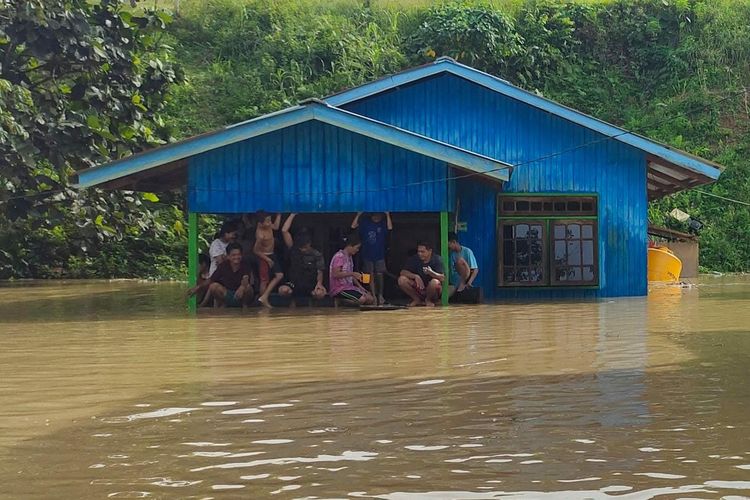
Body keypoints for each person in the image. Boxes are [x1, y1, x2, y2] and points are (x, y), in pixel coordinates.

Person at [278, 213, 327, 301]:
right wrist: (292, 214)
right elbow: (284, 231)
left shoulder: (316, 254)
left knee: (321, 293)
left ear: (309, 244)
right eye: (301, 248)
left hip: (310, 284)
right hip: (294, 283)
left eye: (305, 248)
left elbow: (320, 271)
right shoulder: (294, 250)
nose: (303, 250)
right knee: (282, 290)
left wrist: (319, 284)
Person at [351, 211, 392, 305]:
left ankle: (380, 295)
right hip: (367, 254)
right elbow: (353, 227)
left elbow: (390, 228)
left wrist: (388, 215)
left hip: (380, 254)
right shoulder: (366, 223)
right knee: (369, 275)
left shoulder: (382, 224)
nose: (379, 217)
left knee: (380, 274)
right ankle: (373, 295)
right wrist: (358, 214)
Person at [202, 242, 254, 308]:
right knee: (213, 286)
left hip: (242, 293)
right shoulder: (223, 266)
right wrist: (197, 288)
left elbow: (246, 278)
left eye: (239, 254)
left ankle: (244, 306)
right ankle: (224, 303)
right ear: (228, 256)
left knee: (248, 288)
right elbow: (211, 279)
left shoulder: (245, 264)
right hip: (228, 293)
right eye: (234, 255)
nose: (236, 257)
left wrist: (242, 287)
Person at [329, 233, 375, 306]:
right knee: (362, 299)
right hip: (340, 288)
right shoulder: (339, 256)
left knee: (370, 299)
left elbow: (351, 276)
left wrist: (360, 287)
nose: (357, 250)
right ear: (350, 246)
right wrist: (352, 273)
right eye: (356, 248)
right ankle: (343, 303)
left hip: (349, 287)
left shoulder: (349, 258)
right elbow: (335, 274)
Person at [398, 241, 445, 307]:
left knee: (434, 282)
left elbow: (442, 278)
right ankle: (416, 299)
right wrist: (415, 276)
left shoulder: (437, 259)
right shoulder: (415, 258)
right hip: (419, 288)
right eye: (418, 251)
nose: (420, 254)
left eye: (422, 252)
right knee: (401, 280)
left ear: (430, 251)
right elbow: (402, 272)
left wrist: (431, 273)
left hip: (433, 291)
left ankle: (428, 300)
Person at [253, 210, 284, 307]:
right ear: (260, 223)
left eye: (270, 220)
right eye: (267, 221)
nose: (270, 222)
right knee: (264, 280)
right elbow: (255, 251)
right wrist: (267, 259)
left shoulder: (268, 225)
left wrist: (279, 214)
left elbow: (276, 227)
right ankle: (263, 300)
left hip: (272, 254)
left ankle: (264, 296)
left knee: (279, 275)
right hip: (264, 256)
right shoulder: (260, 235)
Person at [448, 231, 479, 296]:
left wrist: (469, 282)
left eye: (449, 244)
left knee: (460, 260)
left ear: (454, 242)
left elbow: (475, 269)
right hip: (455, 281)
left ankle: (463, 283)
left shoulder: (467, 251)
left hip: (465, 278)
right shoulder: (451, 254)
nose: (448, 247)